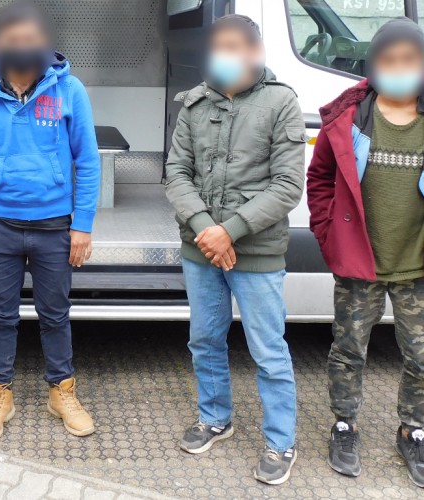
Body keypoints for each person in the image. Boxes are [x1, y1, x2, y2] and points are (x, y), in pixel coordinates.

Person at [165, 15, 305, 485]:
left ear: (254, 51)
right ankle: (214, 418)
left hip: (257, 251)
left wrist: (231, 230)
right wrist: (206, 228)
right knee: (205, 339)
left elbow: (288, 185)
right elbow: (176, 173)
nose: (224, 56)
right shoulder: (194, 103)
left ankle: (280, 441)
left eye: (233, 47)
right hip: (201, 248)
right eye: (217, 47)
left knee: (268, 350)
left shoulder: (281, 102)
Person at [0, 1, 100, 443]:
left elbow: (87, 160)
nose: (22, 45)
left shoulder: (69, 89)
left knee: (55, 314)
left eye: (30, 38)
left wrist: (82, 224)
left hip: (54, 226)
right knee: (0, 316)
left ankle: (62, 392)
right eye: (13, 38)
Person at [307, 17, 424, 488]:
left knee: (421, 356)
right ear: (373, 64)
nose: (399, 69)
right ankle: (344, 425)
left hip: (417, 267)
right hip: (361, 264)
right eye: (388, 60)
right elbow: (319, 178)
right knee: (348, 350)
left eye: (410, 60)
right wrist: (327, 233)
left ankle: (413, 430)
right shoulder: (349, 119)